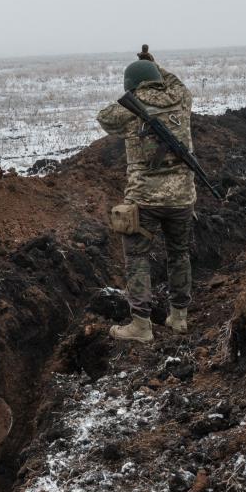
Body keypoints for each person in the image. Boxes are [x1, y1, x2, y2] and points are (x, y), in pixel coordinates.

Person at [96, 46, 196, 343]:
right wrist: (155, 66)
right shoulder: (182, 97)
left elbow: (104, 118)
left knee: (137, 257)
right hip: (182, 197)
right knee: (179, 253)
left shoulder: (129, 107)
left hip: (144, 200)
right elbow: (173, 81)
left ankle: (141, 325)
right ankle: (179, 318)